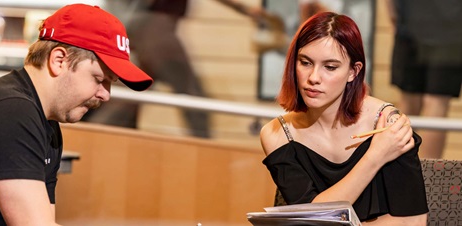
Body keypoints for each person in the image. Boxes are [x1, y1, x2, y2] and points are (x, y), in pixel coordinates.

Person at [0, 4, 153, 225]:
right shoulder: (11, 111)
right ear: (59, 60)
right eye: (99, 80)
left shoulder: (46, 124)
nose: (105, 95)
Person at [259, 12, 428, 224]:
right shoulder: (278, 136)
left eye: (330, 67)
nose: (313, 78)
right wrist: (375, 157)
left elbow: (414, 222)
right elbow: (313, 219)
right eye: (305, 62)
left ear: (353, 72)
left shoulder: (387, 123)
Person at [84, 0, 267, 138]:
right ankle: (204, 156)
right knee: (194, 98)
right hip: (153, 25)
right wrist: (246, 10)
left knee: (134, 93)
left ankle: (93, 134)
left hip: (142, 25)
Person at [386, 0, 462, 159]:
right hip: (437, 25)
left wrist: (393, 14)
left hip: (442, 26)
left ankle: (417, 173)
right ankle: (417, 174)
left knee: (427, 102)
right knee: (421, 101)